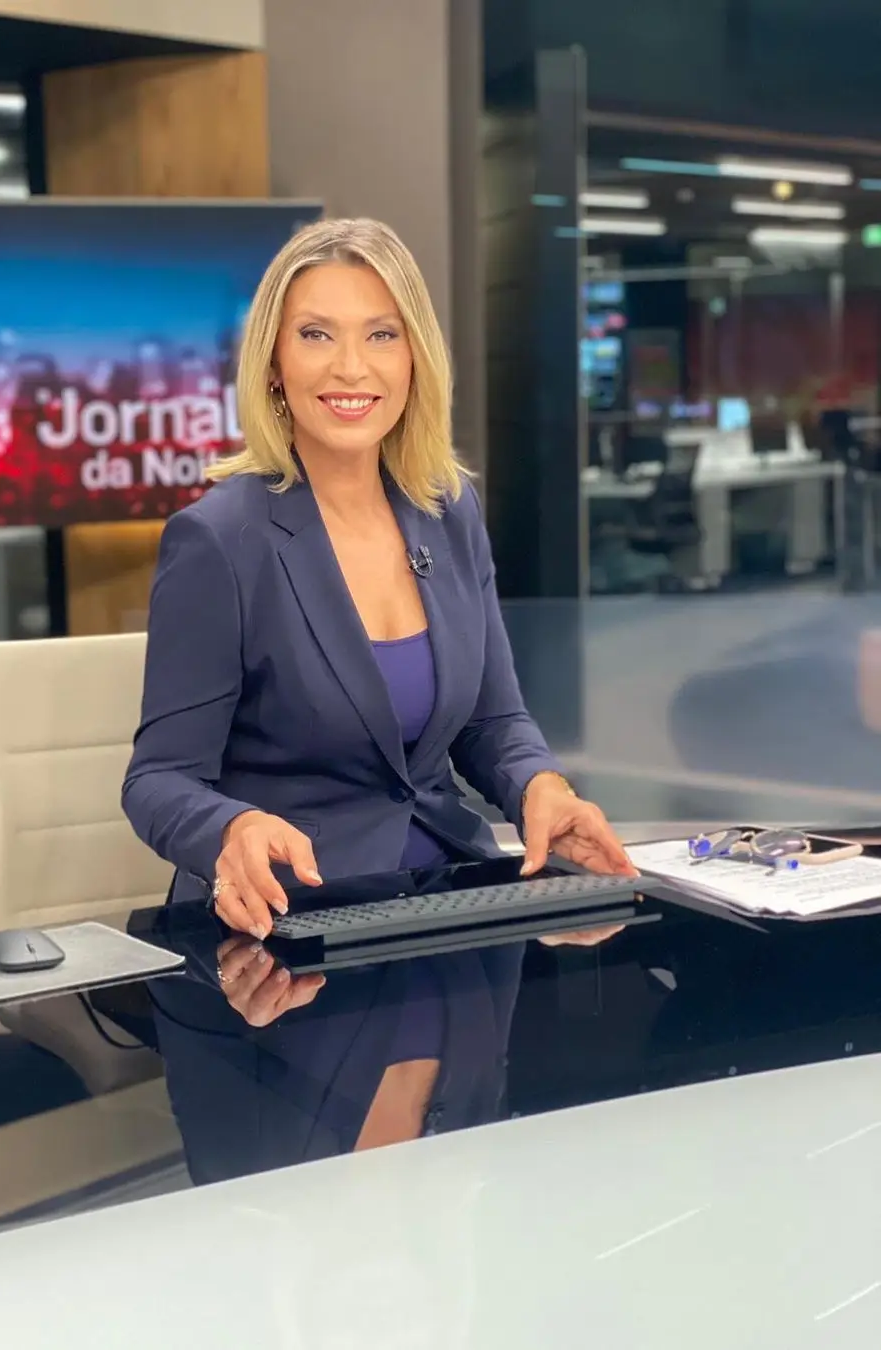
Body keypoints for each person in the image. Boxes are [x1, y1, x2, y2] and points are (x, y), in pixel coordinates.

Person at [123, 217, 634, 946]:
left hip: (449, 903)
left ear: (414, 358)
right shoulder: (219, 540)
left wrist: (541, 789)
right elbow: (157, 781)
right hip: (293, 928)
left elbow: (492, 721)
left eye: (381, 335)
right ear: (273, 363)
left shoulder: (446, 508)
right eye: (316, 335)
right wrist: (230, 828)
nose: (352, 368)